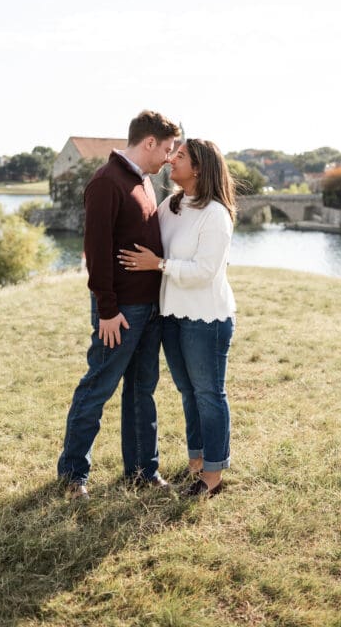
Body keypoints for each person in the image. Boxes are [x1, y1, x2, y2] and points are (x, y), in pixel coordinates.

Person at [57, 110, 181, 499]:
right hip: (121, 313)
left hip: (150, 308)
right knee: (97, 388)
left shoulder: (142, 181)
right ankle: (72, 476)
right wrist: (108, 310)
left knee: (142, 390)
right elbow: (95, 251)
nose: (169, 158)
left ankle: (143, 472)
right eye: (167, 149)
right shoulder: (106, 182)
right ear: (149, 142)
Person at [119, 138, 236, 498]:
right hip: (171, 315)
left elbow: (204, 271)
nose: (171, 159)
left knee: (208, 394)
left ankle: (213, 477)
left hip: (206, 319)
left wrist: (159, 265)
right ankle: (197, 462)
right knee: (188, 392)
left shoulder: (215, 214)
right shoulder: (170, 206)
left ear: (199, 168)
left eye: (180, 156)